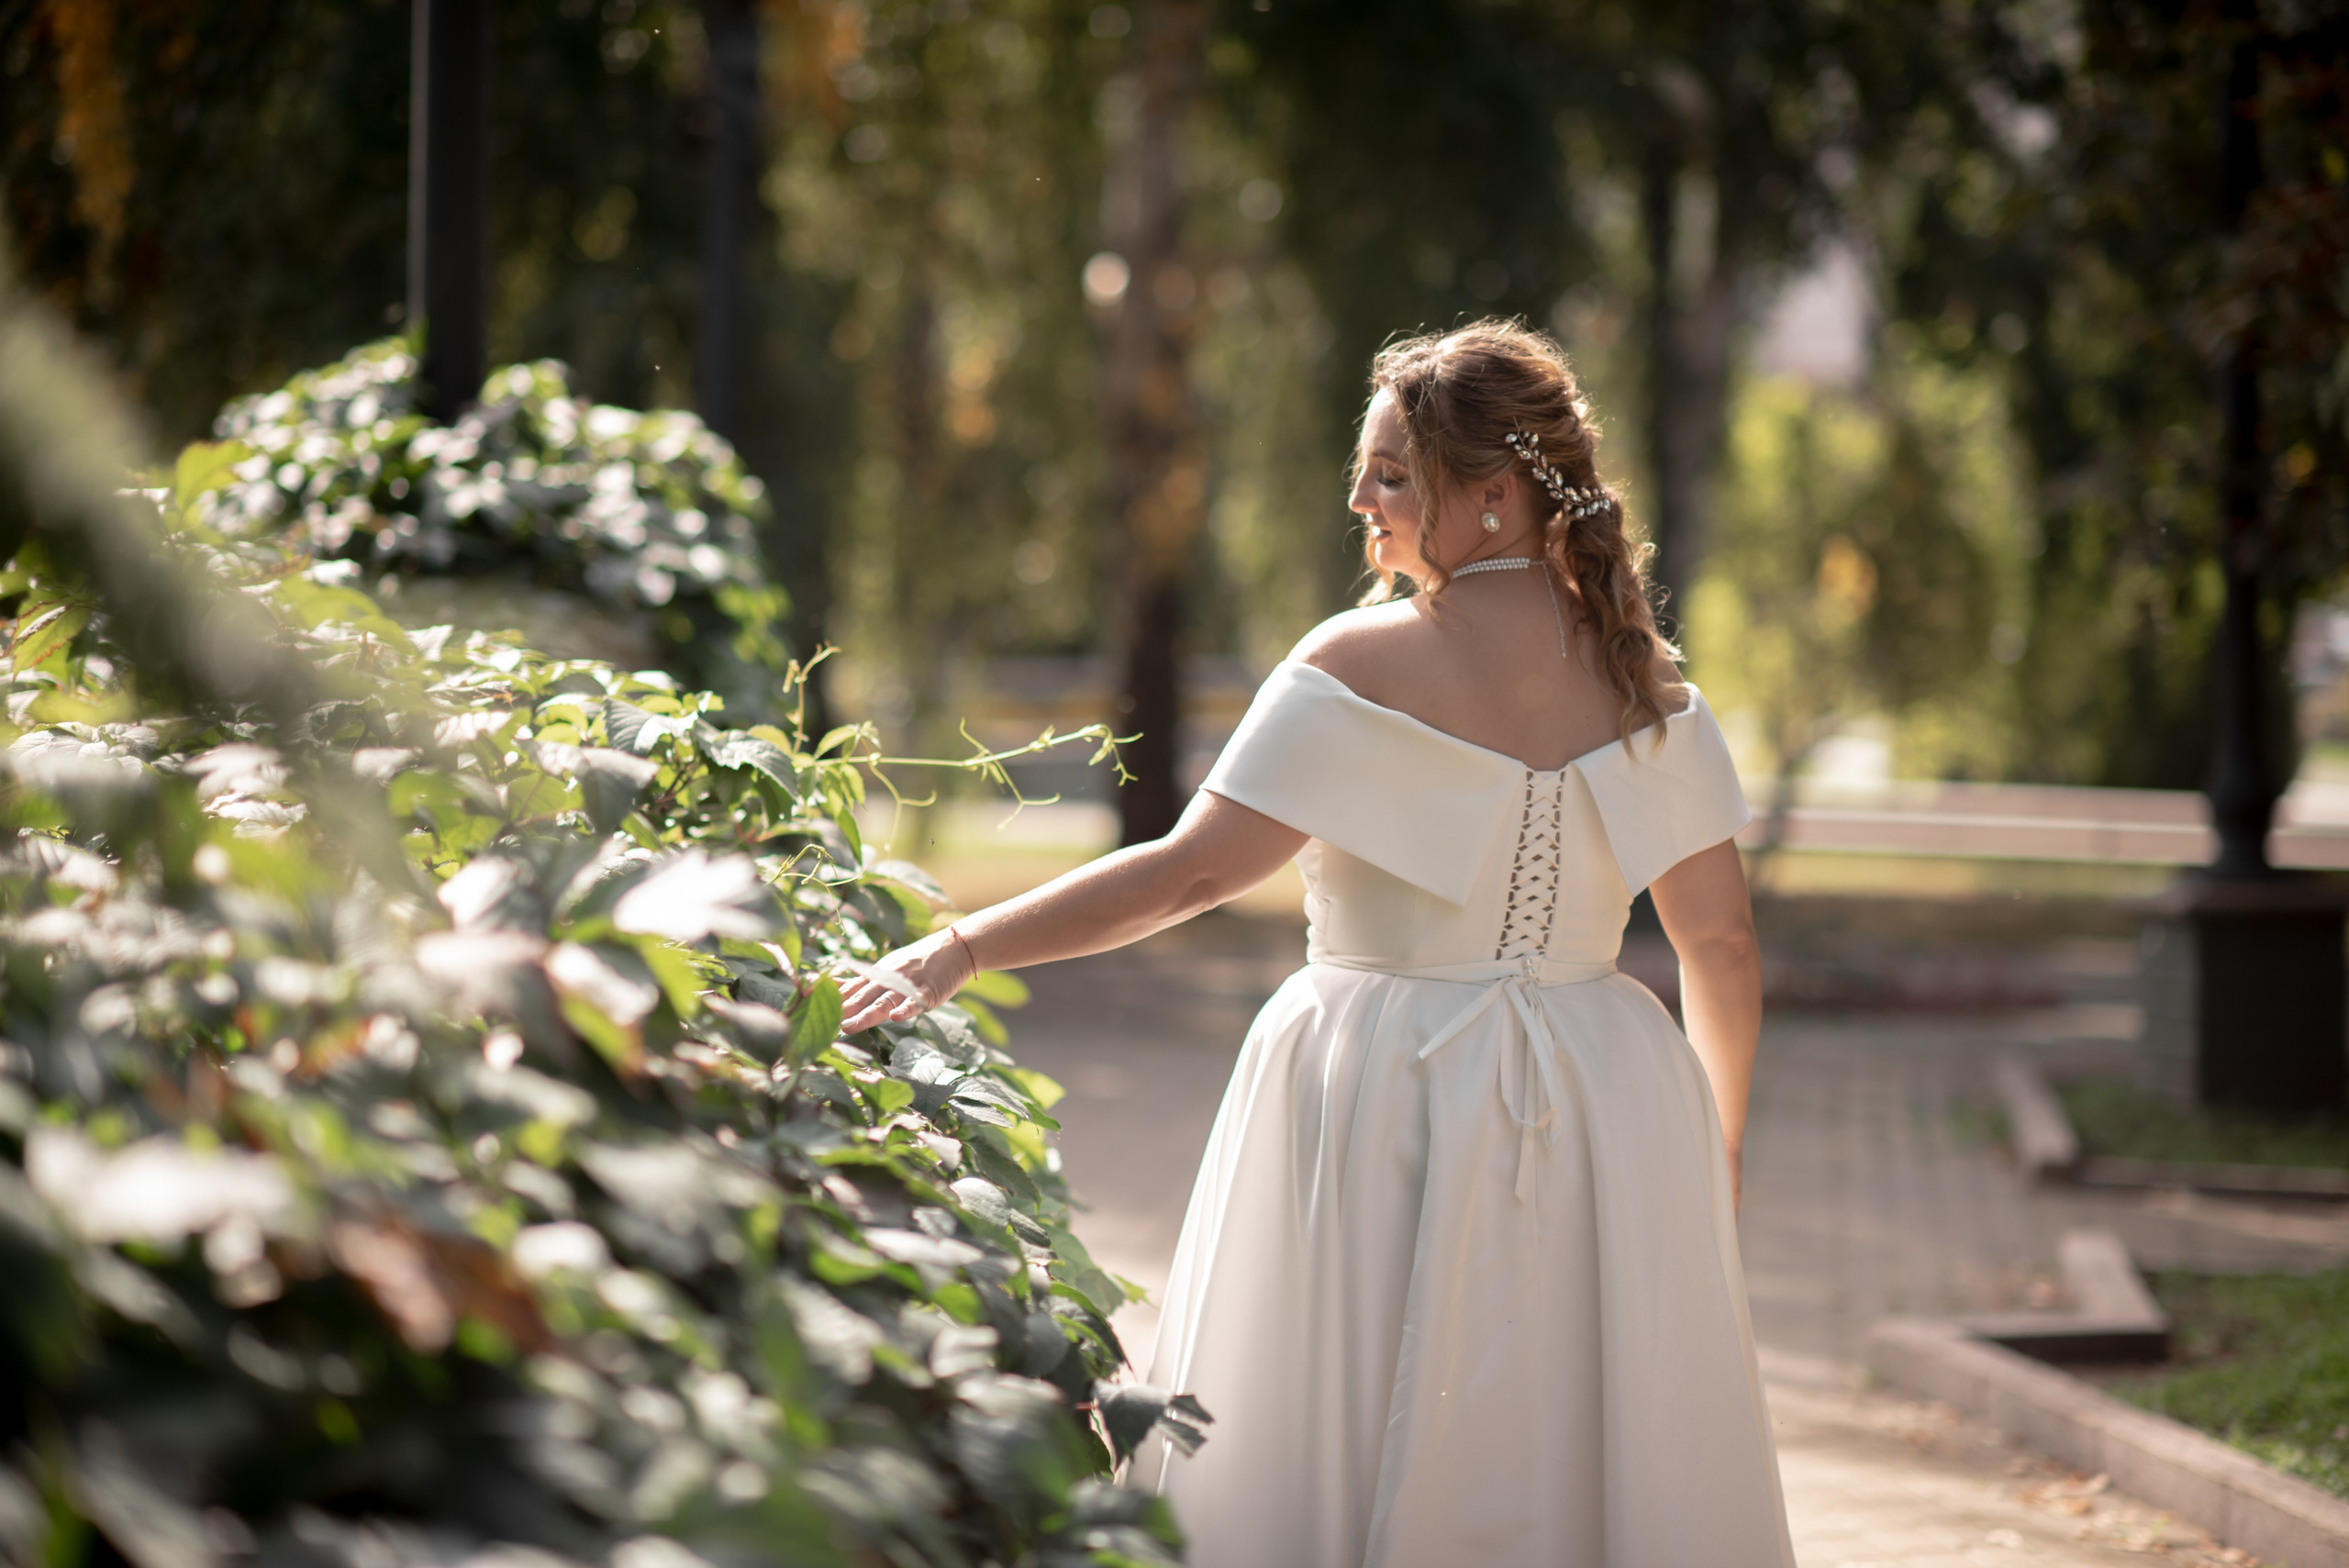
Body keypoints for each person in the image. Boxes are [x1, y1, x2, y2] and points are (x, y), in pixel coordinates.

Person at [838, 319, 1794, 1567]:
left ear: (1494, 495)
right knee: (1574, 1428)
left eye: (1394, 473)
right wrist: (1710, 1143)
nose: (1361, 499)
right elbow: (1719, 943)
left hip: (1377, 1083)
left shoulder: (1353, 664)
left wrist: (958, 948)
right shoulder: (1643, 677)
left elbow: (1183, 874)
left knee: (1337, 1420)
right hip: (1609, 1099)